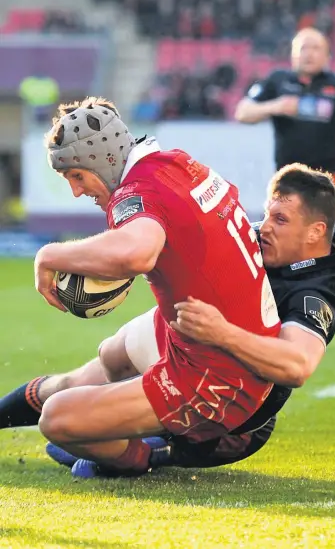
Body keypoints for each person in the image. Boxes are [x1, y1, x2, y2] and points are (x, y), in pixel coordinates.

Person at [0, 163, 335, 475]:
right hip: (189, 338)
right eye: (268, 213)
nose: (265, 227)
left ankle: (148, 454)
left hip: (236, 417)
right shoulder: (250, 234)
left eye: (281, 220)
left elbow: (297, 366)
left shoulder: (317, 289)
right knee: (98, 365)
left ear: (315, 232)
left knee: (72, 425)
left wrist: (222, 332)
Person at [27, 96, 283, 477]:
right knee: (112, 354)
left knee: (57, 419)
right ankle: (128, 428)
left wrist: (48, 256)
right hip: (230, 342)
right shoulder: (177, 163)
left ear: (103, 159)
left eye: (77, 176)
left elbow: (137, 253)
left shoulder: (134, 193)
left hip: (219, 379)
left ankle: (150, 457)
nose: (77, 192)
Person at [234, 27, 335, 196]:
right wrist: (275, 106)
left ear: (327, 55)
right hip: (286, 176)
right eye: (303, 48)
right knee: (285, 221)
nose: (309, 54)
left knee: (320, 222)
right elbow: (243, 113)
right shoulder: (277, 80)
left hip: (326, 177)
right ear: (293, 54)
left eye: (315, 48)